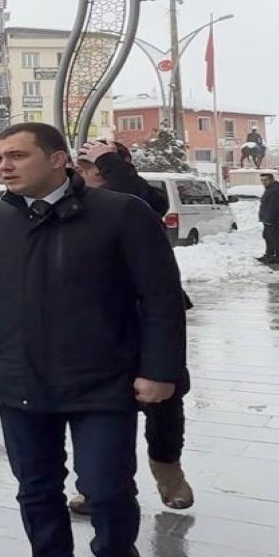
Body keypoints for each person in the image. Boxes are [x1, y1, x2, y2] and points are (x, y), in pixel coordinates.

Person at [0, 124, 186, 557]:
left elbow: (160, 298)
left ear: (58, 159)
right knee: (36, 490)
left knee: (106, 489)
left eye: (17, 155)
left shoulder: (121, 213)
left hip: (103, 380)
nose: (4, 166)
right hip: (20, 379)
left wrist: (160, 370)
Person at [75, 140, 195, 510]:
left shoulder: (141, 201)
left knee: (163, 402)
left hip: (147, 318)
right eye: (80, 162)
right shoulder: (71, 204)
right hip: (92, 320)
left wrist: (110, 161)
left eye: (92, 164)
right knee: (93, 410)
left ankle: (167, 467)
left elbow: (137, 196)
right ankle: (94, 484)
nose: (83, 170)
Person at [258, 173, 279, 265]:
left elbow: (274, 207)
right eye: (262, 180)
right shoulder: (270, 189)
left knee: (274, 237)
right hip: (267, 218)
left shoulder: (275, 190)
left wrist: (270, 219)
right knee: (267, 236)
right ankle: (269, 255)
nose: (263, 182)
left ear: (271, 180)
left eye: (265, 180)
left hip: (273, 219)